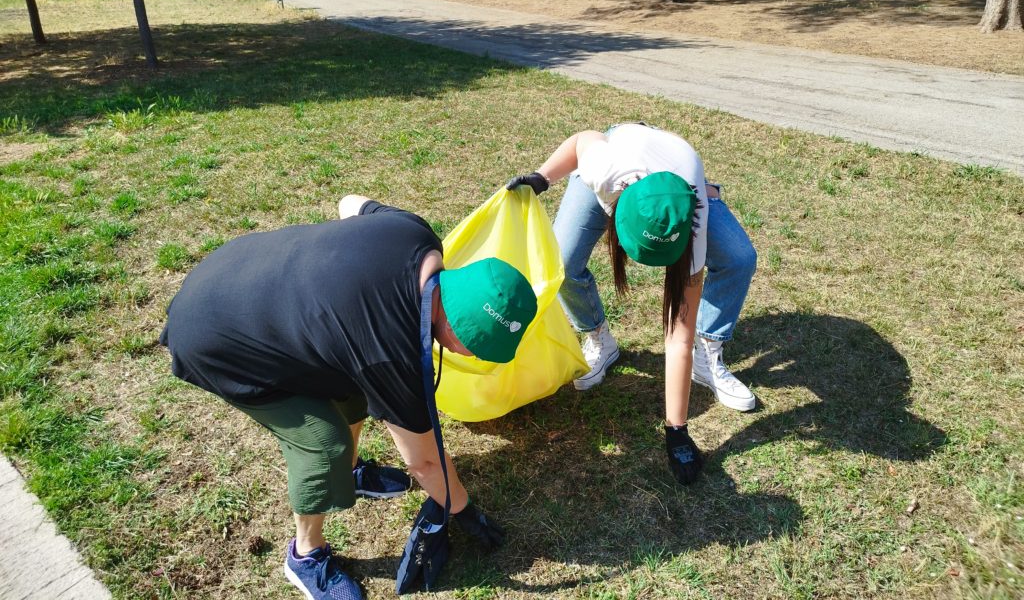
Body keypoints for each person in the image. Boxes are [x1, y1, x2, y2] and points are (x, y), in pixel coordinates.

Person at [161, 195, 537, 600]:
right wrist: (464, 511)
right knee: (324, 444)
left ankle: (353, 473)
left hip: (235, 268)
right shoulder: (389, 351)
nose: (474, 357)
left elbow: (349, 203)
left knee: (351, 387)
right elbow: (424, 462)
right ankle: (305, 556)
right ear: (454, 330)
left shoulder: (416, 234)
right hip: (215, 337)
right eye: (475, 349)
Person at [507, 123, 757, 485]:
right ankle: (599, 339)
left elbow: (677, 338)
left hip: (680, 177)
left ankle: (709, 355)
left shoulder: (692, 221)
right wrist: (542, 178)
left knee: (738, 255)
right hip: (621, 149)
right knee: (561, 261)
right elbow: (583, 139)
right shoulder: (603, 170)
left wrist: (677, 430)